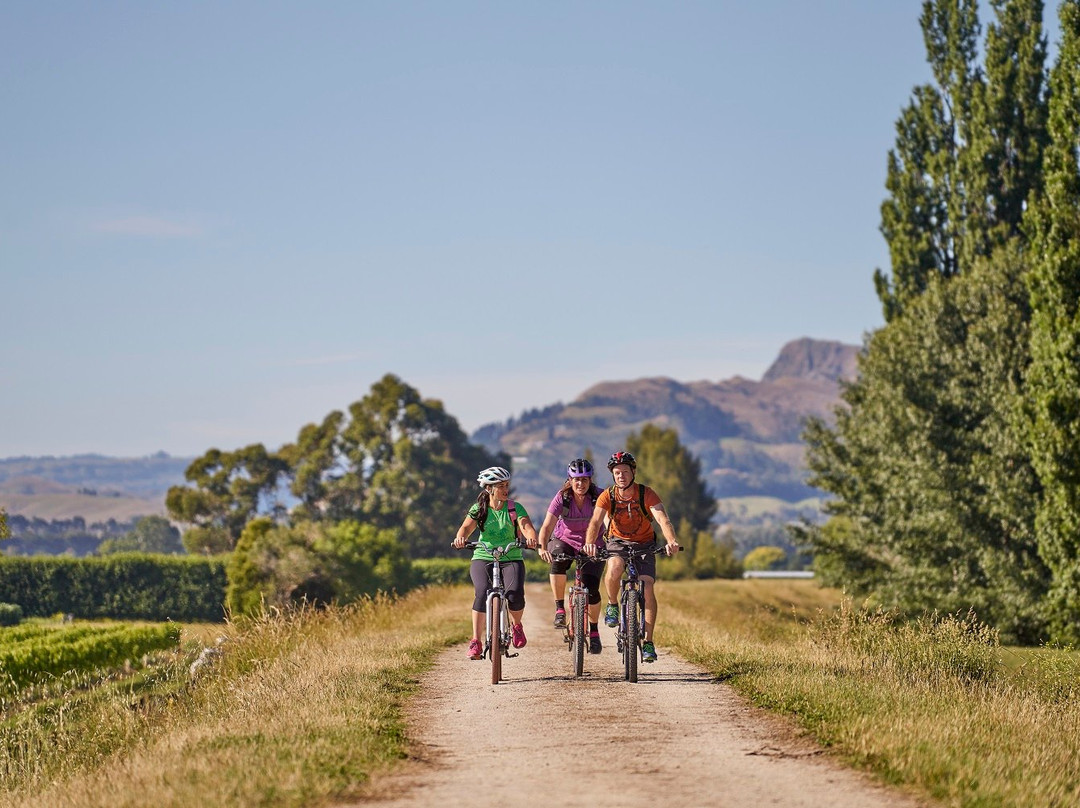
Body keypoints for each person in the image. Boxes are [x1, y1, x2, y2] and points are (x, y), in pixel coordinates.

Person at [582, 450, 680, 663]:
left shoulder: (647, 494)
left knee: (647, 587)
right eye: (617, 473)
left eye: (625, 472)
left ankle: (648, 642)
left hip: (645, 544)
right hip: (617, 541)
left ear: (633, 472)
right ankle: (613, 605)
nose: (621, 476)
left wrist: (671, 541)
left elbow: (663, 519)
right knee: (614, 568)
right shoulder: (607, 495)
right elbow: (596, 522)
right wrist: (590, 543)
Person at [453, 465, 538, 660]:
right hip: (483, 556)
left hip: (511, 556)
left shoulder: (514, 508)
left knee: (514, 593)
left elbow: (526, 526)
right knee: (481, 592)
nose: (505, 489)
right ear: (489, 488)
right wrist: (460, 538)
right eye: (500, 486)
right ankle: (476, 640)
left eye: (507, 485)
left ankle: (516, 626)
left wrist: (531, 538)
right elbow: (466, 528)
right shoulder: (479, 509)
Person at [536, 458, 607, 654]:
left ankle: (593, 631)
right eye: (576, 479)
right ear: (569, 479)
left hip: (593, 544)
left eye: (584, 480)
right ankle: (559, 609)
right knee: (558, 560)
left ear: (590, 480)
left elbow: (608, 521)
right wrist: (542, 548)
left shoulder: (599, 496)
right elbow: (547, 526)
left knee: (592, 590)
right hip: (565, 540)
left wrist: (609, 541)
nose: (580, 484)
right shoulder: (562, 497)